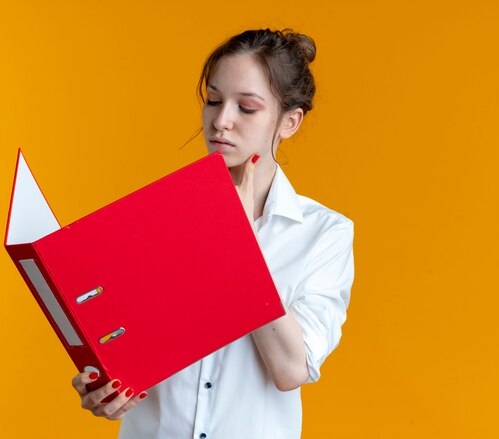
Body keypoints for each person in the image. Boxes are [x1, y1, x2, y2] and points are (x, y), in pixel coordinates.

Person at [71, 28, 354, 438]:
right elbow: (126, 349)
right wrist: (105, 389)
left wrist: (237, 240)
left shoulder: (324, 234)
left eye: (248, 108)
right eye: (215, 101)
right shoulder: (154, 218)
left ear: (290, 121)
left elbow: (291, 369)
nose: (221, 121)